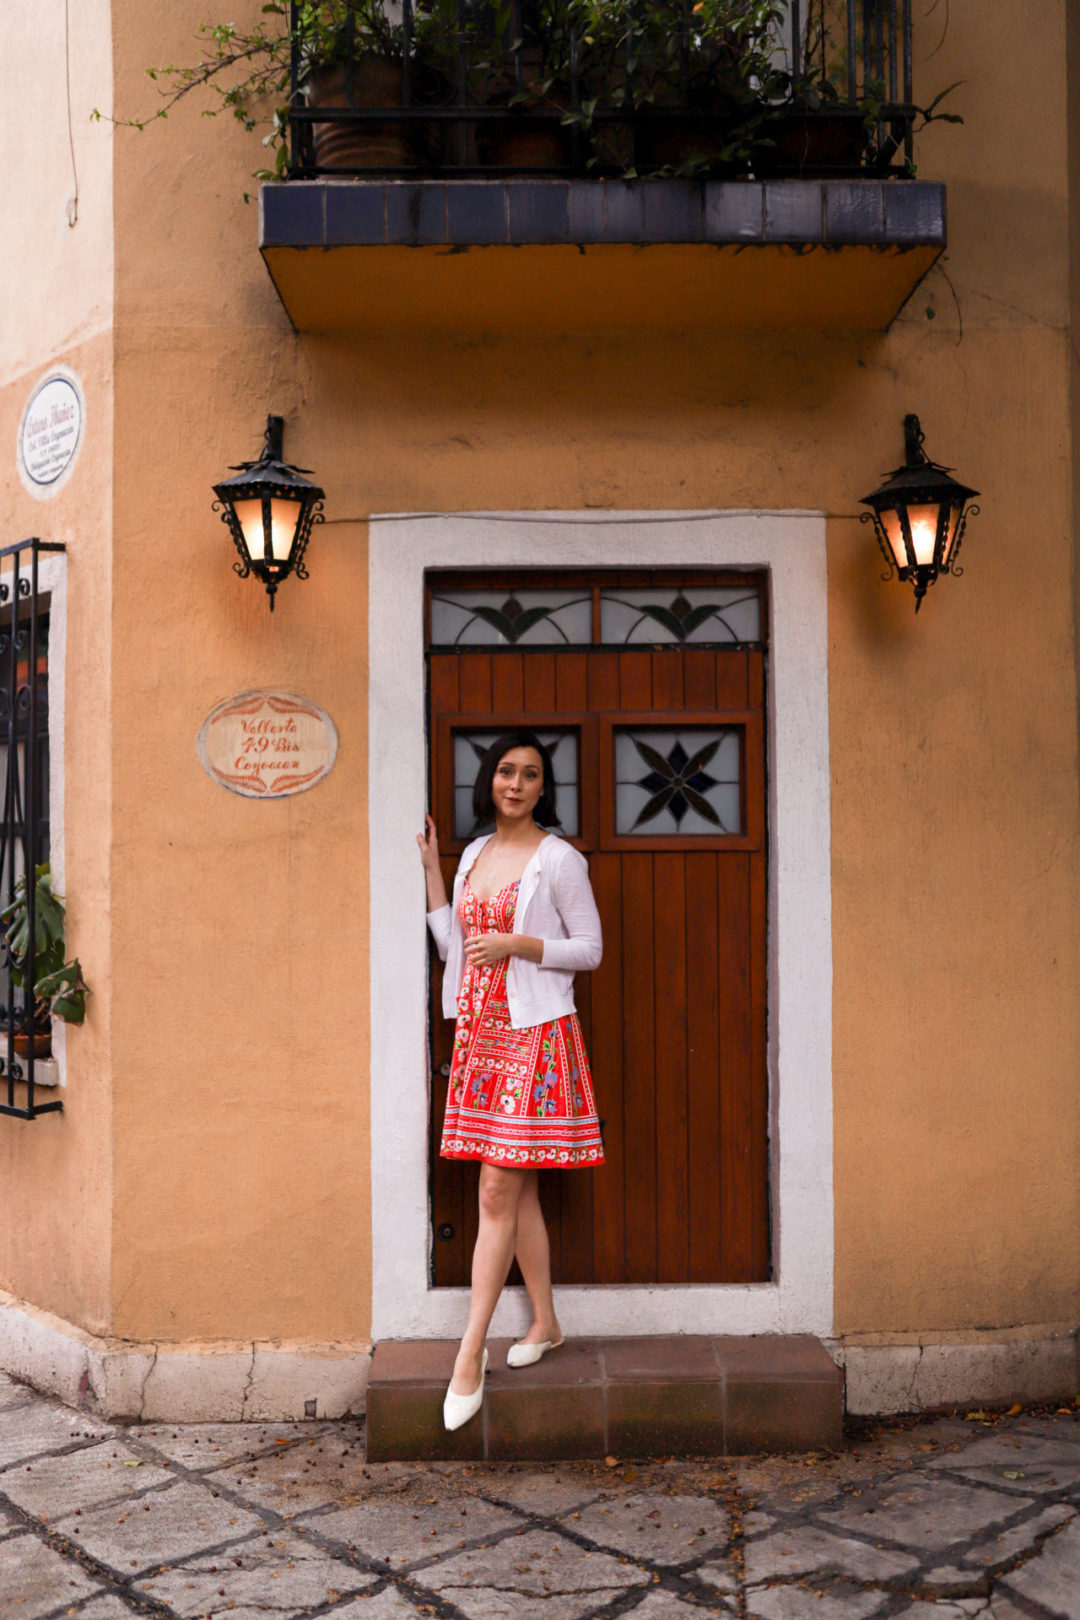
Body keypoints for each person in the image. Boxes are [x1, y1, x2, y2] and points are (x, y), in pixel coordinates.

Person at [417, 729, 604, 1431]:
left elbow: (590, 950)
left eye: (530, 774)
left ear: (542, 788)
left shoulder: (559, 861)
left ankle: (470, 1355)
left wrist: (520, 944)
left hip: (534, 1036)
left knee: (496, 1185)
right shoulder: (474, 854)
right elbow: (454, 945)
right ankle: (546, 1321)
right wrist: (436, 870)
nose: (516, 784)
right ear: (489, 782)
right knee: (515, 1185)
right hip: (480, 1033)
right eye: (505, 771)